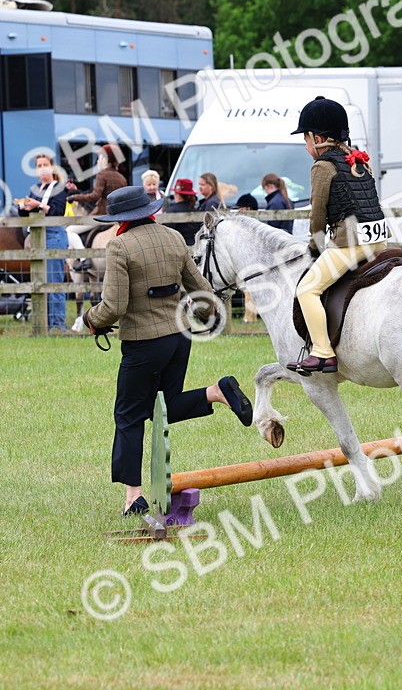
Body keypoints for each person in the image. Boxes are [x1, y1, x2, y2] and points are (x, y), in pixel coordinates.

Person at [82, 186, 254, 516]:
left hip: (144, 344)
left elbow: (114, 306)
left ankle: (134, 498)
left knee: (129, 416)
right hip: (180, 337)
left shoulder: (120, 245)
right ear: (148, 211)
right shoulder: (174, 237)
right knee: (165, 405)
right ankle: (217, 392)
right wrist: (204, 315)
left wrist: (90, 319)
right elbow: (202, 290)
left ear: (120, 219)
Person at [287, 96, 387, 374]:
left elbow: (317, 216)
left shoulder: (323, 167)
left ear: (317, 138)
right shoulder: (358, 160)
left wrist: (315, 246)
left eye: (305, 138)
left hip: (350, 243)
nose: (305, 145)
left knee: (307, 290)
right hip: (379, 240)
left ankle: (321, 351)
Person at [17, 153, 69, 332]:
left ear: (52, 167)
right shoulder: (36, 189)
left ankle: (58, 325)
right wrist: (24, 207)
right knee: (40, 281)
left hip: (54, 235)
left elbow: (58, 211)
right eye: (38, 165)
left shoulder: (59, 188)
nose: (42, 168)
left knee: (54, 281)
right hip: (38, 236)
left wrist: (38, 205)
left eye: (45, 164)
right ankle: (43, 324)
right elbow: (26, 215)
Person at [66, 144, 128, 244]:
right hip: (117, 217)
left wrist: (75, 197)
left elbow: (95, 196)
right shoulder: (122, 178)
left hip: (102, 215)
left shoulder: (102, 174)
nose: (98, 160)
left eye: (100, 157)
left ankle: (82, 258)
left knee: (69, 231)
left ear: (105, 159)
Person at [164, 177, 201, 246]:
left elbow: (167, 234)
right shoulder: (196, 210)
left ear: (178, 194)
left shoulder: (172, 211)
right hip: (195, 248)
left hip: (179, 248)